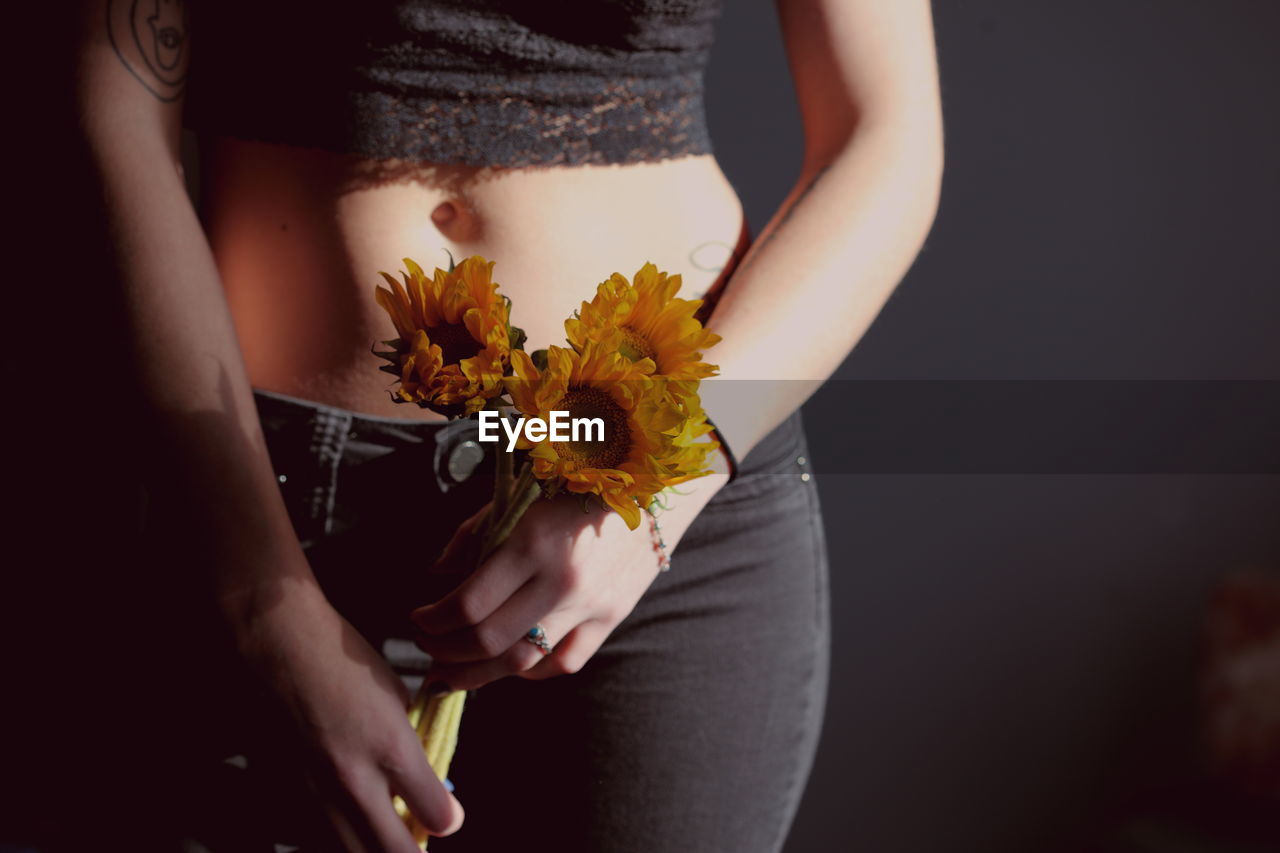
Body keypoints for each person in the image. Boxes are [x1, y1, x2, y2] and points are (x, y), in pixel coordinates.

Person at [58, 0, 943, 850]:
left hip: (656, 517)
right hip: (248, 495)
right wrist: (257, 599)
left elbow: (885, 135)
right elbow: (112, 107)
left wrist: (661, 482)